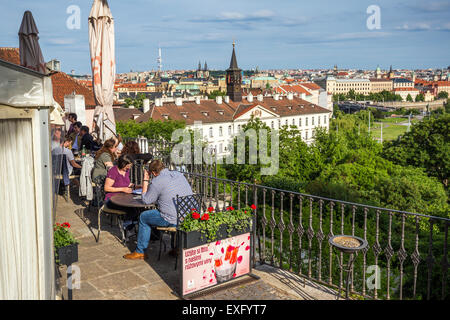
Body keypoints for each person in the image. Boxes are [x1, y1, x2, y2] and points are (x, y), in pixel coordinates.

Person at [123, 160, 193, 260]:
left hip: (172, 219)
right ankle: (176, 248)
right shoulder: (179, 174)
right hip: (187, 215)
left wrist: (146, 180)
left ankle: (140, 251)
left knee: (143, 217)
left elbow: (146, 200)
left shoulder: (157, 181)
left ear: (154, 173)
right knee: (172, 211)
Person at [104, 154, 138, 235]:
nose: (129, 168)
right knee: (131, 209)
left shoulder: (126, 171)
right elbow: (107, 188)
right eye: (128, 166)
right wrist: (123, 189)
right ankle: (127, 228)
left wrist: (136, 186)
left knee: (137, 207)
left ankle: (131, 227)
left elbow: (127, 183)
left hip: (123, 198)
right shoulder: (113, 171)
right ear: (123, 164)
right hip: (111, 199)